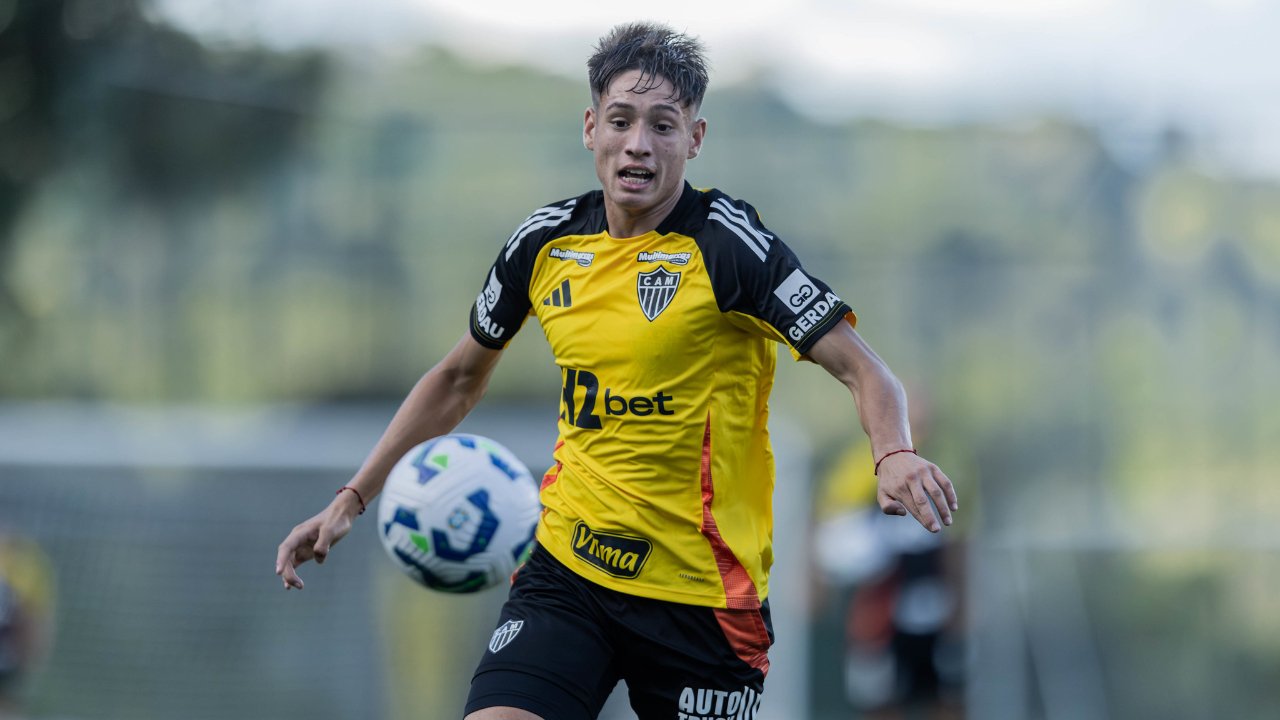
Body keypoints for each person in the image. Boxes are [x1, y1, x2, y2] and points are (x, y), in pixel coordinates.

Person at [276, 21, 957, 720]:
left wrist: (893, 454)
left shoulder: (731, 248)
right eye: (622, 121)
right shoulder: (544, 244)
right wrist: (352, 497)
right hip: (569, 572)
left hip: (702, 598)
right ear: (591, 127)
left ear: (694, 139)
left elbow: (868, 372)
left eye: (663, 125)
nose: (639, 143)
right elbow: (457, 378)